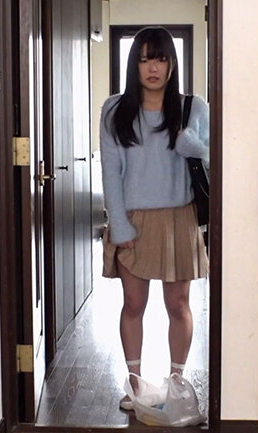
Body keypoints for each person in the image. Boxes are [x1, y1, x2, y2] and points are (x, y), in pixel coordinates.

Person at [99, 26, 210, 411]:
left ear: (171, 64)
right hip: (132, 218)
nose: (153, 68)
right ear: (134, 64)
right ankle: (134, 385)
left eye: (160, 58)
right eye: (145, 59)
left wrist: (190, 144)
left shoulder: (193, 107)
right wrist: (119, 224)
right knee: (133, 304)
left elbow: (214, 155)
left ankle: (176, 384)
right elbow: (111, 171)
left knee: (178, 305)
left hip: (180, 217)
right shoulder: (114, 109)